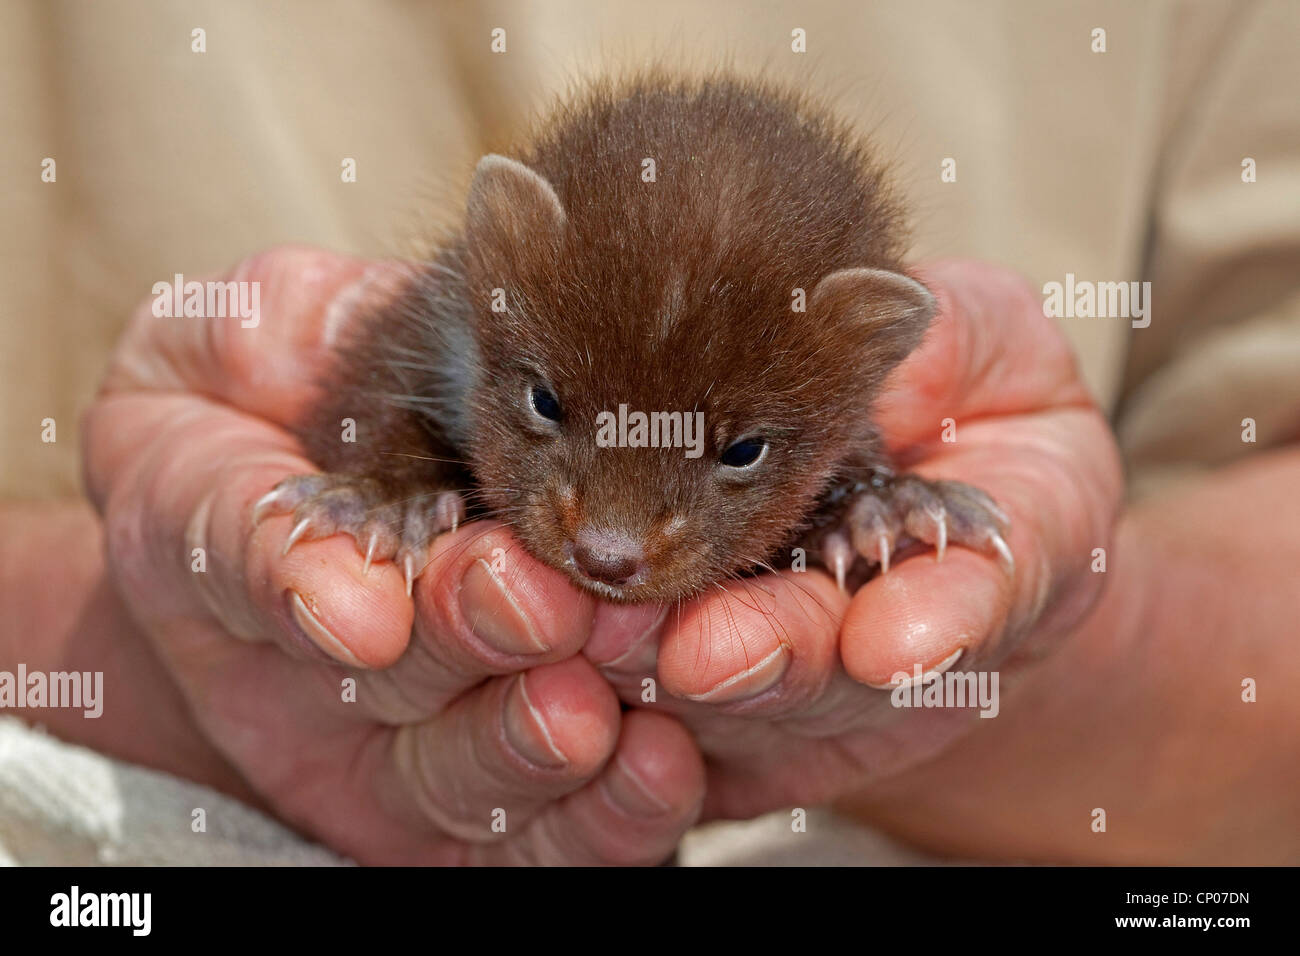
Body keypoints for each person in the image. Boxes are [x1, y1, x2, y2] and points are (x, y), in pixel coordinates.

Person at [2, 0, 1297, 864]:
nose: (609, 539)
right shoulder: (431, 342)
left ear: (872, 364)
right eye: (550, 410)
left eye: (739, 455)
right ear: (496, 265)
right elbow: (385, 418)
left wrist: (1027, 645)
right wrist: (122, 630)